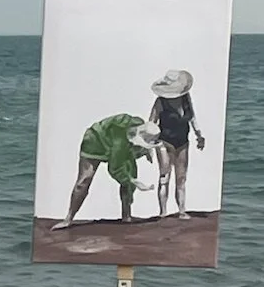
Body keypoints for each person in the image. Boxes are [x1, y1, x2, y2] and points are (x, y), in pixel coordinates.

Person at [52, 113, 160, 229]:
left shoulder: (139, 124)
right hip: (95, 142)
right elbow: (114, 169)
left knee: (130, 173)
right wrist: (134, 181)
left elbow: (137, 142)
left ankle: (126, 215)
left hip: (121, 145)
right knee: (84, 181)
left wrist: (146, 150)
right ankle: (68, 219)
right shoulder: (120, 144)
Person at [148, 69, 205, 219]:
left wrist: (199, 135)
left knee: (181, 178)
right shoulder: (161, 102)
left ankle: (181, 210)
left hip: (183, 141)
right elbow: (151, 122)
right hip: (164, 142)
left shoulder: (186, 98)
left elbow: (192, 117)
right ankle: (163, 212)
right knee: (164, 176)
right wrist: (149, 143)